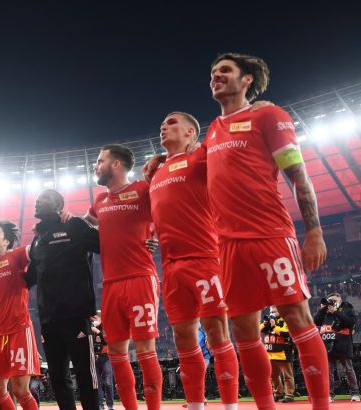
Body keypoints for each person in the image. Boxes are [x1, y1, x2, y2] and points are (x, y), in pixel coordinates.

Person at [205, 52, 329, 410]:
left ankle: (321, 405)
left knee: (297, 318)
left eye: (225, 70)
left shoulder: (268, 116)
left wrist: (314, 231)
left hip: (270, 235)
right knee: (243, 331)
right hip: (228, 246)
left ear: (247, 80)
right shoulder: (213, 129)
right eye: (213, 72)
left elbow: (298, 176)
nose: (216, 76)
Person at [148, 112, 240, 410]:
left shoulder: (201, 157)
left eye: (172, 122)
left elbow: (226, 140)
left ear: (190, 132)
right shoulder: (155, 173)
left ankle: (230, 406)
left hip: (205, 259)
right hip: (171, 267)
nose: (164, 126)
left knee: (216, 333)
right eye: (163, 123)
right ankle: (196, 405)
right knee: (183, 339)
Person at [84, 144, 162, 410]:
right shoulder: (99, 201)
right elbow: (83, 225)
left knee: (145, 350)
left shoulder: (142, 189)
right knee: (117, 354)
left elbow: (167, 209)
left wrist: (156, 235)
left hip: (140, 277)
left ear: (116, 164)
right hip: (110, 285)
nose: (96, 166)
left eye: (100, 161)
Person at [25, 189, 100, 410]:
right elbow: (28, 278)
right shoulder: (38, 239)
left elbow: (106, 243)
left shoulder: (74, 225)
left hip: (76, 315)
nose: (37, 202)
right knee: (58, 378)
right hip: (48, 319)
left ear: (59, 204)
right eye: (36, 199)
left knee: (86, 376)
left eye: (44, 198)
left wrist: (144, 242)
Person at [0, 220, 41, 410]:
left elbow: (37, 249)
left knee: (20, 390)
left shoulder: (16, 255)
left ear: (6, 241)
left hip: (19, 329)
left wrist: (42, 233)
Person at [313, 293, 359, 401]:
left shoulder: (347, 308)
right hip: (328, 345)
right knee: (328, 372)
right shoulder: (326, 312)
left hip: (343, 344)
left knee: (348, 370)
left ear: (340, 301)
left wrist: (335, 311)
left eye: (334, 300)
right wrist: (322, 309)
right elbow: (316, 321)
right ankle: (329, 394)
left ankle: (355, 393)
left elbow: (350, 322)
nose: (331, 303)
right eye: (330, 300)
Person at [260, 307, 295, 402]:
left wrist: (274, 326)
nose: (272, 313)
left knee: (287, 376)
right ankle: (278, 393)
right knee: (273, 376)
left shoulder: (286, 320)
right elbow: (258, 329)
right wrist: (266, 323)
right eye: (271, 311)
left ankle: (289, 395)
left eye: (274, 311)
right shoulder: (268, 322)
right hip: (270, 354)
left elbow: (286, 333)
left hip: (283, 353)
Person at [91, 313, 113, 410]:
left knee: (108, 382)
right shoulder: (90, 327)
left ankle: (110, 405)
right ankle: (100, 405)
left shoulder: (106, 327)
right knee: (97, 384)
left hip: (105, 357)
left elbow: (107, 341)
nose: (94, 320)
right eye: (93, 318)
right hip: (93, 358)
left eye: (95, 318)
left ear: (100, 318)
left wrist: (98, 331)